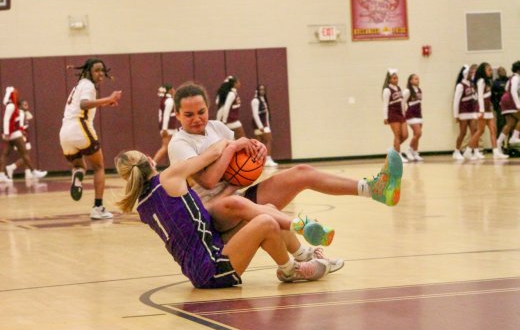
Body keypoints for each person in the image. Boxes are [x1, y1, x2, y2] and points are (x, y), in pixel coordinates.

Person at [167, 82, 403, 264]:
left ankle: (374, 189)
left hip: (236, 198)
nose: (197, 119)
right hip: (211, 216)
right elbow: (208, 182)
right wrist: (230, 148)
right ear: (177, 115)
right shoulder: (179, 143)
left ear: (208, 108)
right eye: (189, 115)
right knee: (265, 212)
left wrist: (255, 150)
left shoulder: (217, 128)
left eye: (201, 111)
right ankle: (304, 255)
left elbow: (240, 162)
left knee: (302, 172)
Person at [115, 144, 334, 286]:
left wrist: (231, 197)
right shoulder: (169, 177)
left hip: (203, 259)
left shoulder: (142, 206)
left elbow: (192, 218)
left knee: (265, 209)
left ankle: (304, 243)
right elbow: (212, 154)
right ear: (149, 159)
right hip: (211, 267)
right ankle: (290, 270)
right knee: (266, 222)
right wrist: (232, 144)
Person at [59, 58, 121, 219]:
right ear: (88, 72)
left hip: (65, 132)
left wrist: (105, 103)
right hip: (80, 128)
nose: (100, 73)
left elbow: (82, 105)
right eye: (97, 70)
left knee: (79, 164)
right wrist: (108, 99)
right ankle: (98, 208)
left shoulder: (79, 85)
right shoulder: (88, 85)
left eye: (102, 70)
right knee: (99, 167)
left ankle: (78, 174)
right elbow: (84, 104)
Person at [0, 87, 47, 185]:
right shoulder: (11, 106)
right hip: (14, 133)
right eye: (15, 94)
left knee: (5, 154)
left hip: (11, 133)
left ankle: (1, 174)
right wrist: (6, 133)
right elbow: (6, 120)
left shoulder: (11, 105)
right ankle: (34, 172)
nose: (16, 95)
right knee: (25, 153)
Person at [469, 62, 508, 160]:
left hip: (488, 109)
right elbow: (480, 96)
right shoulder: (481, 81)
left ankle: (495, 152)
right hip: (482, 109)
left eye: (491, 70)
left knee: (493, 130)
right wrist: (481, 110)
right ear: (483, 71)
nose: (491, 71)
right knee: (480, 131)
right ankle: (468, 151)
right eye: (489, 70)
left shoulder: (488, 81)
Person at [497, 60, 520, 150]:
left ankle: (498, 143)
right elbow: (513, 91)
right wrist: (518, 105)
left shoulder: (511, 77)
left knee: (510, 123)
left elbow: (506, 88)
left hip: (505, 99)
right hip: (509, 99)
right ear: (519, 69)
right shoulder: (516, 78)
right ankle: (514, 138)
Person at [452, 64, 480, 161]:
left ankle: (475, 151)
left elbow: (475, 97)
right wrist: (456, 115)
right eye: (470, 73)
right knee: (463, 133)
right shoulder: (460, 85)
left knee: (474, 131)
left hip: (472, 112)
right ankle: (456, 151)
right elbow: (456, 101)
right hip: (463, 112)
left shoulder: (471, 84)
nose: (472, 74)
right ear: (465, 74)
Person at [382, 69, 408, 163]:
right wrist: (385, 117)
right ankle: (397, 156)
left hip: (401, 114)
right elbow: (385, 104)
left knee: (405, 135)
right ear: (389, 79)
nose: (396, 79)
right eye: (394, 78)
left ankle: (392, 150)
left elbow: (402, 102)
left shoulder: (398, 88)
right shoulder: (387, 90)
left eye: (397, 78)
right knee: (397, 135)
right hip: (393, 114)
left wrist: (404, 113)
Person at [251, 83, 277, 166]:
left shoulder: (263, 100)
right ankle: (267, 159)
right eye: (260, 89)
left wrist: (268, 125)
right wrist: (260, 126)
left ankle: (262, 160)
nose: (262, 91)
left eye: (263, 89)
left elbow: (266, 115)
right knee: (267, 141)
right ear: (257, 91)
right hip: (261, 126)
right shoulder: (255, 100)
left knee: (262, 142)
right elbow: (255, 114)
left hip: (265, 125)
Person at [153, 84, 178, 166]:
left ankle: (176, 165)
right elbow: (166, 115)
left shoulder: (164, 99)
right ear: (170, 90)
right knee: (165, 147)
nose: (174, 90)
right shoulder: (169, 100)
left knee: (175, 146)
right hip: (168, 127)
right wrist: (164, 129)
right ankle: (152, 164)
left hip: (169, 127)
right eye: (173, 89)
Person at [403, 73, 423, 161]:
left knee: (417, 135)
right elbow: (402, 102)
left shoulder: (419, 90)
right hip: (411, 114)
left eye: (418, 78)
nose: (417, 80)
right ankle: (408, 150)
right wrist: (403, 113)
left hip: (418, 114)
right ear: (410, 81)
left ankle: (415, 152)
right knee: (418, 133)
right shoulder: (408, 91)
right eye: (415, 79)